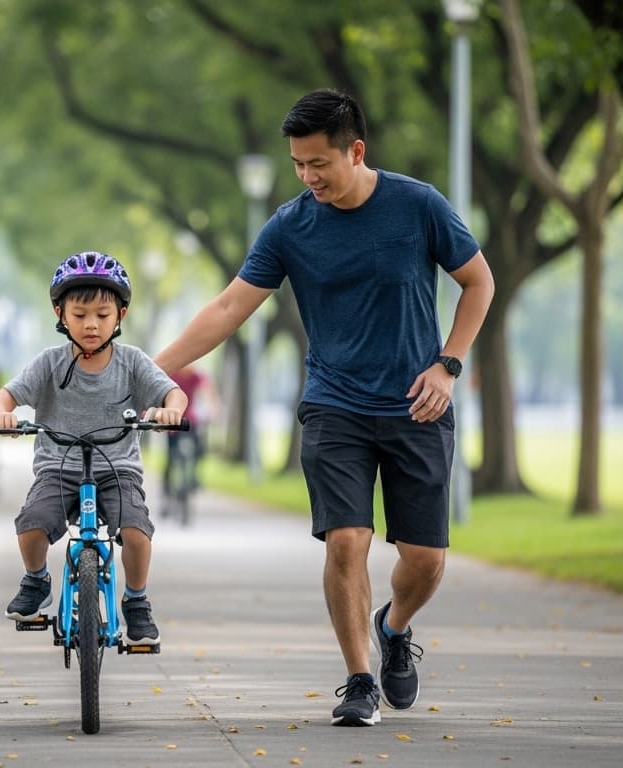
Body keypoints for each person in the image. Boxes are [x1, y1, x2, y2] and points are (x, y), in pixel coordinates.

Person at [153, 89, 495, 726]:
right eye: (297, 166)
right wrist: (149, 370)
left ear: (356, 151)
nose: (308, 178)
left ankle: (393, 628)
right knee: (346, 542)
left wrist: (448, 365)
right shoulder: (290, 225)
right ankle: (359, 678)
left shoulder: (418, 206)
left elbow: (479, 282)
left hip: (416, 405)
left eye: (319, 164)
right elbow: (229, 307)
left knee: (424, 561)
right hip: (334, 404)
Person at [0, 252, 187, 646]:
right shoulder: (48, 363)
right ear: (60, 314)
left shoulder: (132, 362)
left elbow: (173, 393)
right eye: (79, 315)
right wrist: (2, 415)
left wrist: (170, 411)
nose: (91, 324)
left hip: (117, 470)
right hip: (57, 467)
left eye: (101, 313)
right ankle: (36, 579)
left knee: (136, 529)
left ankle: (136, 601)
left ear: (121, 316)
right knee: (31, 523)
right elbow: (4, 396)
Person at [161, 363, 214, 509]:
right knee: (171, 457)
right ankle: (166, 493)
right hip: (171, 420)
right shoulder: (173, 375)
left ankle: (194, 477)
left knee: (199, 448)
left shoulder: (195, 376)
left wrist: (211, 408)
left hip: (190, 420)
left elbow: (206, 390)